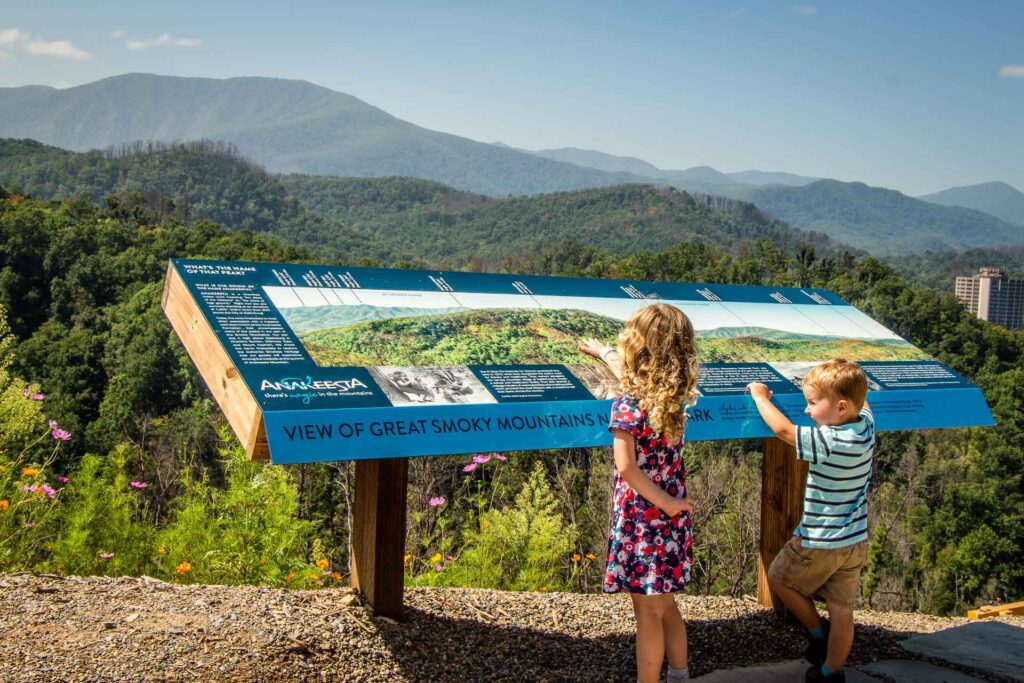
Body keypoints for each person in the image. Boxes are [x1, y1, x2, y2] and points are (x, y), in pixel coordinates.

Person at [579, 303, 699, 683]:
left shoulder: (627, 406)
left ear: (638, 348)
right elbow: (631, 375)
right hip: (671, 521)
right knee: (666, 606)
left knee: (646, 615)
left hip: (642, 524)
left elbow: (627, 467)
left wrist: (664, 504)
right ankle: (679, 676)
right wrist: (602, 353)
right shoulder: (675, 398)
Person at [747, 358, 874, 683]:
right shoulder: (866, 426)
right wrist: (835, 378)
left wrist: (761, 396)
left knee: (780, 579)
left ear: (841, 407)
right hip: (855, 540)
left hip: (819, 540)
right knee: (843, 610)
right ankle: (831, 672)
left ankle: (817, 633)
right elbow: (865, 401)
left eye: (813, 403)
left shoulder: (829, 442)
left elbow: (783, 430)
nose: (806, 410)